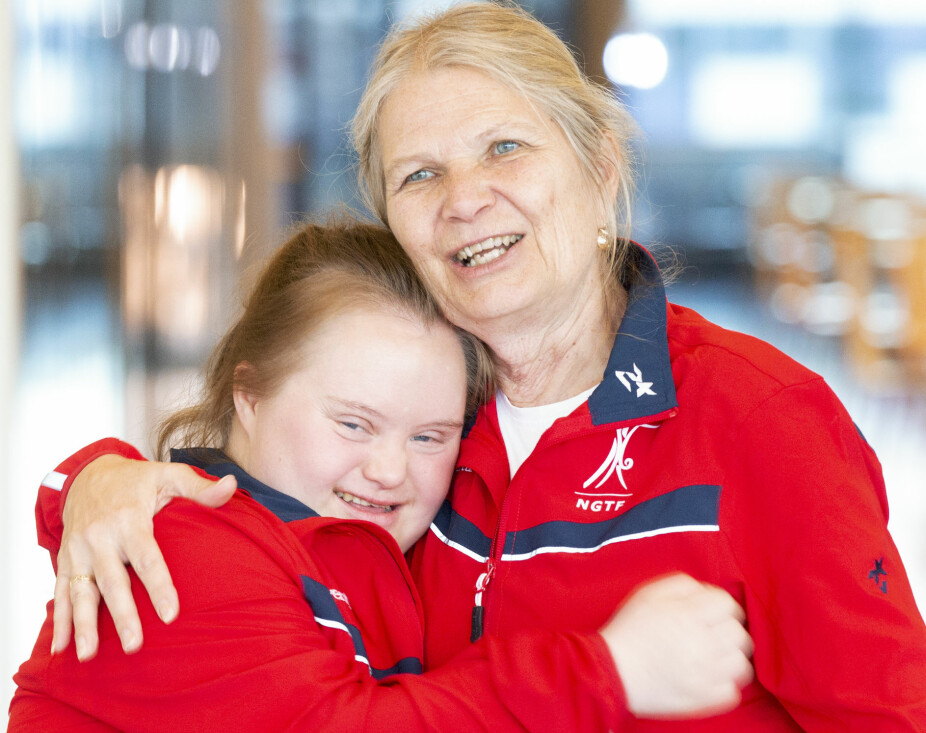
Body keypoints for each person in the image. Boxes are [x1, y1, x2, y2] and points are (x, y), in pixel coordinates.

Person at [37, 1, 926, 729]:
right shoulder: (430, 422)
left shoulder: (760, 420)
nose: (465, 199)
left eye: (505, 147)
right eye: (420, 175)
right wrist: (94, 481)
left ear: (599, 164)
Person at [9, 217, 754, 730]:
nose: (392, 468)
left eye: (431, 434)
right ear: (250, 393)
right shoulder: (174, 547)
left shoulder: (364, 548)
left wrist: (88, 476)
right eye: (354, 423)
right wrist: (613, 667)